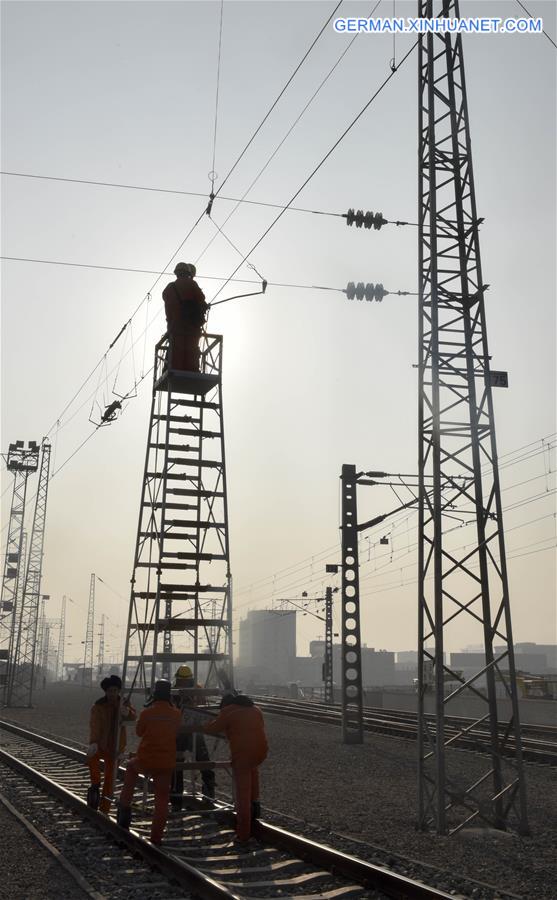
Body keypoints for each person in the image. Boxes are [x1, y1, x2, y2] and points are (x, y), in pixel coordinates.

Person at [185, 692, 268, 845]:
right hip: (260, 752)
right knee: (253, 776)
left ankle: (243, 835)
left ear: (226, 705)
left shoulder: (229, 711)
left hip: (243, 754)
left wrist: (201, 725)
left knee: (242, 795)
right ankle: (255, 810)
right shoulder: (256, 709)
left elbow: (213, 728)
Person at [116, 679, 182, 845]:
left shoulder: (147, 713)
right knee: (162, 797)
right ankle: (156, 838)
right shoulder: (176, 714)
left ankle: (124, 808)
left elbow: (139, 732)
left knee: (130, 768)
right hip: (166, 761)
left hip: (146, 759)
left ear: (155, 694)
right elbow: (177, 732)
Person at [86, 674, 136, 814]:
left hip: (116, 749)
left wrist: (127, 713)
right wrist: (94, 742)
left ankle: (104, 810)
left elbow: (133, 718)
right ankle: (95, 784)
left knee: (110, 779)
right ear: (106, 691)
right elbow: (95, 725)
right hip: (101, 746)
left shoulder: (124, 704)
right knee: (91, 758)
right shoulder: (98, 706)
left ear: (118, 691)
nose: (112, 693)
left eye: (115, 690)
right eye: (110, 691)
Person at [171, 665, 215, 808]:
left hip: (195, 732)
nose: (183, 684)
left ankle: (208, 794)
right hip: (180, 732)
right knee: (177, 764)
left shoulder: (197, 690)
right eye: (181, 681)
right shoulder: (173, 692)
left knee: (204, 762)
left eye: (185, 681)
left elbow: (204, 707)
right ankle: (176, 797)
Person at [162, 262, 208, 372]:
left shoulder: (170, 288)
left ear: (176, 273)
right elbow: (201, 298)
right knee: (191, 349)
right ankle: (192, 369)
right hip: (191, 328)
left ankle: (170, 367)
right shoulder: (192, 284)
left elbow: (167, 303)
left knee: (175, 349)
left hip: (174, 327)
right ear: (188, 273)